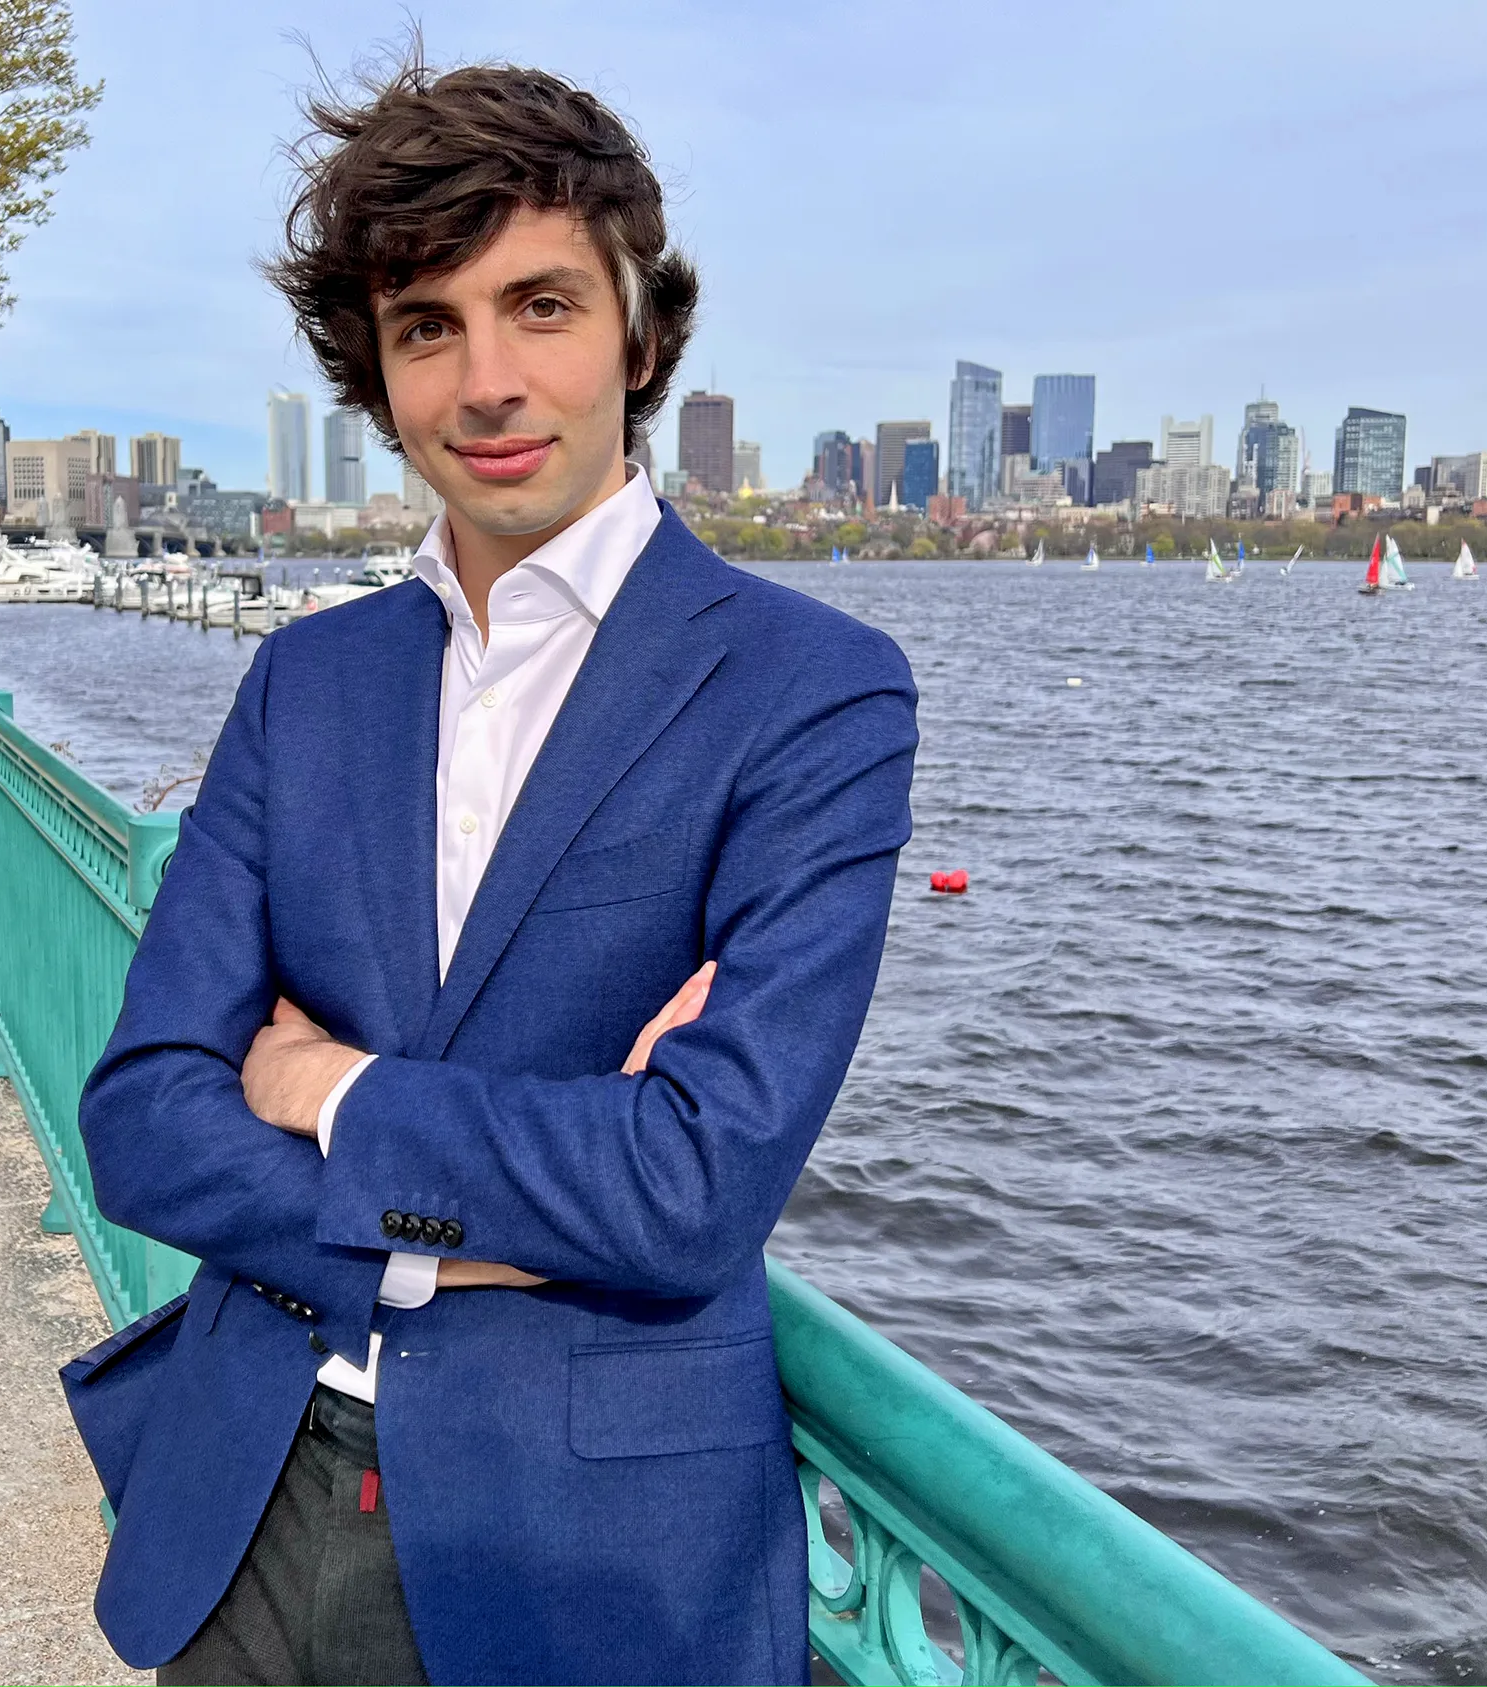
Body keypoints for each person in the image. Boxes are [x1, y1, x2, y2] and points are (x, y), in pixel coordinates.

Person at [74, 55, 918, 1687]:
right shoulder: (306, 683)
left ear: (640, 334)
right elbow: (140, 1116)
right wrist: (458, 1230)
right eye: (426, 327)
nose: (487, 381)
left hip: (579, 1547)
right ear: (378, 377)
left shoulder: (811, 690)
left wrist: (324, 1088)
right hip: (242, 1492)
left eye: (538, 305)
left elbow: (689, 1184)